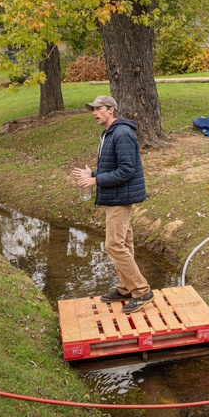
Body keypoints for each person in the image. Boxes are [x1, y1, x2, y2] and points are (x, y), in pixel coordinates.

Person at [72, 95, 153, 313]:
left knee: (114, 245)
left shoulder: (122, 133)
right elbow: (115, 166)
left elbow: (127, 170)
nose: (94, 113)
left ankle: (142, 290)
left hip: (121, 198)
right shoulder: (110, 133)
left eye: (98, 109)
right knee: (124, 244)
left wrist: (95, 180)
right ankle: (126, 287)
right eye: (93, 109)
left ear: (111, 110)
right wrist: (93, 173)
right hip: (116, 195)